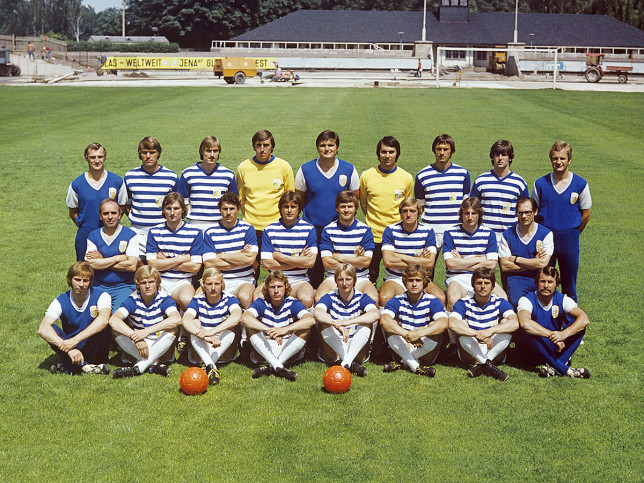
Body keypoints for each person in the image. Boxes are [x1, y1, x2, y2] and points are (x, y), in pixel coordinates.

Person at [295, 130, 359, 288]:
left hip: (340, 229)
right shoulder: (305, 169)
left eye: (331, 145)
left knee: (339, 267)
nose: (327, 148)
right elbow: (299, 199)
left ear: (337, 148)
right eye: (323, 145)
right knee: (314, 268)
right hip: (313, 227)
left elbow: (354, 198)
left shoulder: (349, 169)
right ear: (317, 148)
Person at [532, 141, 591, 302]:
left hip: (569, 239)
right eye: (555, 158)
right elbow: (534, 213)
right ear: (550, 159)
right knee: (544, 280)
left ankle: (570, 323)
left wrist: (572, 231)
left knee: (569, 283)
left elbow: (586, 214)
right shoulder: (540, 184)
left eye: (562, 158)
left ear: (569, 160)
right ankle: (543, 318)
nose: (558, 162)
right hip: (546, 240)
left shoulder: (580, 184)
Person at [516, 267, 590, 378]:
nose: (546, 286)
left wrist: (563, 334)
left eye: (550, 282)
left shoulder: (563, 299)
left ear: (556, 285)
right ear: (536, 283)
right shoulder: (526, 300)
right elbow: (525, 323)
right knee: (528, 332)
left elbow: (584, 319)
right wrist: (552, 335)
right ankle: (567, 370)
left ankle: (552, 367)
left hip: (553, 347)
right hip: (533, 351)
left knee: (580, 327)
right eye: (542, 281)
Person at [414, 134, 471, 278]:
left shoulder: (463, 174)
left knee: (457, 270)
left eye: (445, 149)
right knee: (426, 270)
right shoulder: (423, 175)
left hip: (454, 230)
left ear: (451, 151)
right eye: (438, 149)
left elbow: (465, 204)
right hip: (430, 230)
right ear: (434, 150)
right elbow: (420, 205)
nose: (442, 152)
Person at [38, 262, 111, 375]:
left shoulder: (102, 296)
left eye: (85, 281)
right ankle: (86, 367)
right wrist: (70, 349)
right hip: (72, 349)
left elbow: (103, 321)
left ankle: (69, 366)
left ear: (90, 282)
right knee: (51, 328)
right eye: (77, 280)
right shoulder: (61, 300)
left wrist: (74, 341)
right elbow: (42, 329)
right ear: (70, 280)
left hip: (95, 347)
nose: (81, 284)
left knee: (103, 325)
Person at [241, 271, 315, 381]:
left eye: (279, 287)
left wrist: (284, 330)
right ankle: (279, 367)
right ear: (267, 288)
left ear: (285, 288)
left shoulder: (292, 303)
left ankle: (272, 366)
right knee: (250, 327)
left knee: (305, 329)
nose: (276, 291)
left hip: (288, 348)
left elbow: (310, 320)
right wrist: (269, 330)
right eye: (272, 287)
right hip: (265, 347)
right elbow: (245, 318)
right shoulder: (262, 302)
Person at [110, 266, 181, 378]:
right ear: (138, 284)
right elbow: (113, 320)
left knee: (174, 328)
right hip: (138, 345)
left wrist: (146, 332)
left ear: (157, 283)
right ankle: (154, 365)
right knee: (115, 330)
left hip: (160, 344)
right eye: (143, 283)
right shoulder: (132, 299)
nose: (147, 286)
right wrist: (136, 338)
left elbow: (176, 319)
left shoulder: (164, 298)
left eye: (151, 282)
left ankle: (139, 368)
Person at [359, 136, 413, 284]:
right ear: (378, 153)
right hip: (374, 235)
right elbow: (364, 203)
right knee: (371, 274)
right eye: (383, 152)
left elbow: (408, 207)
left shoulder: (406, 178)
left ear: (397, 154)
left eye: (391, 152)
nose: (387, 156)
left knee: (402, 275)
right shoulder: (366, 176)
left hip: (398, 236)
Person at [448, 268, 518, 381]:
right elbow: (452, 323)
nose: (483, 286)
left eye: (487, 283)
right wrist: (477, 334)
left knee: (506, 323)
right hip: (470, 350)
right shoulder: (464, 302)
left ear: (493, 286)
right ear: (473, 285)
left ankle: (482, 364)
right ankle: (487, 364)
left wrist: (490, 331)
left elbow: (515, 322)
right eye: (479, 283)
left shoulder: (499, 301)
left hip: (493, 349)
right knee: (461, 324)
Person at [380, 265, 448, 377]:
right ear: (405, 282)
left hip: (424, 349)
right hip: (404, 344)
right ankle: (416, 367)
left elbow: (444, 323)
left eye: (418, 280)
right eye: (410, 280)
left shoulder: (432, 300)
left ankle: (403, 363)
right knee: (391, 325)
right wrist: (406, 334)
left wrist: (418, 334)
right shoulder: (397, 300)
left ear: (424, 282)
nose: (414, 284)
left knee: (434, 326)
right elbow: (384, 320)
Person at [314, 264, 379, 377]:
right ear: (335, 281)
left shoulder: (361, 297)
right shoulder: (330, 297)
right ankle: (349, 362)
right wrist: (338, 325)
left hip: (356, 344)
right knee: (323, 324)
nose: (344, 283)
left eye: (348, 279)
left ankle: (347, 362)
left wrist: (347, 322)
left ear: (354, 280)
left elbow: (375, 314)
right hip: (334, 346)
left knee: (366, 323)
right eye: (340, 279)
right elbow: (317, 312)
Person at [236, 130, 294, 256]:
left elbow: (290, 198)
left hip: (276, 226)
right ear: (254, 147)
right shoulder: (243, 168)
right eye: (258, 145)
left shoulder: (284, 167)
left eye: (266, 145)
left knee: (276, 266)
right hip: (251, 227)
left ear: (272, 146)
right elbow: (241, 199)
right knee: (252, 266)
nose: (262, 149)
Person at [315, 191, 378, 306]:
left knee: (374, 298)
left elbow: (366, 262)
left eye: (350, 206)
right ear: (337, 208)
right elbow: (326, 262)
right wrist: (355, 260)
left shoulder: (365, 231)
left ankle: (364, 324)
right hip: (333, 277)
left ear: (355, 209)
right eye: (343, 206)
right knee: (319, 297)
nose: (346, 210)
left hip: (360, 277)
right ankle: (329, 324)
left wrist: (339, 257)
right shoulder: (328, 230)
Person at [66, 142, 127, 261]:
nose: (97, 160)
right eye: (93, 157)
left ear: (105, 157)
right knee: (84, 272)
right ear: (86, 159)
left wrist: (111, 224)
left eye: (100, 156)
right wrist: (84, 225)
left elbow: (122, 208)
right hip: (85, 235)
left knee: (110, 268)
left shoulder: (117, 181)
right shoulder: (77, 184)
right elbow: (72, 211)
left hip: (111, 234)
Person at [379, 197, 445, 306]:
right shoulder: (390, 230)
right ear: (400, 213)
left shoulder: (428, 231)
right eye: (405, 211)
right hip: (396, 278)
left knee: (440, 297)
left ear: (418, 212)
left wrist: (400, 256)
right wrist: (419, 261)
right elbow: (388, 261)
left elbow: (429, 263)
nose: (408, 214)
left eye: (412, 211)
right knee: (385, 297)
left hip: (420, 278)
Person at [443, 197, 505, 311]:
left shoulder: (489, 234)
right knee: (452, 300)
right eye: (466, 213)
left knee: (502, 298)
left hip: (483, 277)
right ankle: (454, 327)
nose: (470, 217)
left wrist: (461, 262)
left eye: (474, 213)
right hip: (458, 278)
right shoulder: (450, 233)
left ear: (479, 214)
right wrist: (479, 259)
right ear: (461, 214)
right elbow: (450, 264)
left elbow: (492, 265)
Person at [182, 268, 242, 385]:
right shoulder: (198, 299)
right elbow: (186, 320)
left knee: (231, 329)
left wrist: (212, 332)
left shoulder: (229, 299)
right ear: (203, 285)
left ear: (222, 285)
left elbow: (237, 317)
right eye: (209, 284)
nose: (213, 288)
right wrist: (206, 337)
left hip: (222, 345)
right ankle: (210, 366)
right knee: (195, 323)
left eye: (216, 284)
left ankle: (208, 365)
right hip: (202, 344)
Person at [257, 191, 317, 308]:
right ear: (281, 209)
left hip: (299, 280)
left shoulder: (309, 229)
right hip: (274, 279)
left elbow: (310, 262)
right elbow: (267, 264)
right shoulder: (269, 230)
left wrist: (281, 257)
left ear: (299, 209)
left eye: (293, 207)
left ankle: (303, 325)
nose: (289, 210)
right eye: (286, 207)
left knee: (306, 298)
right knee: (258, 296)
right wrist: (299, 260)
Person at [146, 192, 202, 313]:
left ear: (183, 210)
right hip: (159, 280)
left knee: (187, 300)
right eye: (168, 208)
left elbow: (195, 267)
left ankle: (184, 329)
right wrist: (181, 259)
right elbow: (152, 265)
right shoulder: (154, 231)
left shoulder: (195, 232)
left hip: (182, 282)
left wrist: (164, 261)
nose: (172, 213)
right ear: (163, 210)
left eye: (176, 208)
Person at [123, 136, 178, 260]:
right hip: (138, 231)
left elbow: (177, 205)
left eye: (152, 152)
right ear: (139, 154)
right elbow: (126, 204)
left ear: (158, 153)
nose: (148, 156)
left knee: (161, 266)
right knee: (136, 266)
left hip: (162, 230)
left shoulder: (170, 177)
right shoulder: (130, 176)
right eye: (144, 153)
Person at [202, 192, 258, 309]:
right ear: (220, 210)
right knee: (196, 298)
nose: (228, 213)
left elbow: (250, 259)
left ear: (238, 210)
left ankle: (246, 326)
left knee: (245, 297)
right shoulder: (210, 232)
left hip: (243, 279)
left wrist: (222, 255)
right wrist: (240, 255)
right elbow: (209, 263)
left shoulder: (248, 229)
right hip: (218, 280)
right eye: (225, 209)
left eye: (232, 209)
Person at [470, 139, 529, 243]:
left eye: (504, 155)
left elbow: (525, 211)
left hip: (511, 236)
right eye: (497, 154)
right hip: (485, 237)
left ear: (510, 157)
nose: (500, 158)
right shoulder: (481, 181)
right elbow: (472, 209)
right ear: (492, 157)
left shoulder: (519, 183)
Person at [85, 199, 139, 311]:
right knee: (97, 316)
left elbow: (131, 266)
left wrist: (102, 260)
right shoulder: (93, 236)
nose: (110, 217)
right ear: (100, 216)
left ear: (120, 215)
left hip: (123, 286)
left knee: (116, 315)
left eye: (113, 213)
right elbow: (91, 264)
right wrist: (118, 258)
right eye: (106, 213)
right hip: (98, 286)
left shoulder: (130, 235)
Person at [499, 197, 554, 307]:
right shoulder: (507, 235)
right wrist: (534, 262)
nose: (524, 216)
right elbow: (504, 266)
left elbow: (543, 263)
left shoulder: (546, 234)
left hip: (540, 278)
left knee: (544, 305)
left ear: (535, 212)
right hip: (517, 279)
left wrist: (517, 259)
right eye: (520, 213)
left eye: (528, 212)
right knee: (517, 302)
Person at [176, 135, 238, 230]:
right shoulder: (188, 173)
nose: (212, 155)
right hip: (195, 224)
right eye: (208, 151)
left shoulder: (228, 175)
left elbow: (233, 202)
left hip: (220, 225)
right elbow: (182, 200)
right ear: (202, 151)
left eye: (215, 151)